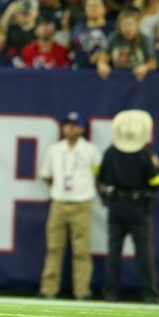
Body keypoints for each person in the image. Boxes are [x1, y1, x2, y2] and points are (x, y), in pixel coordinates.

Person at [98, 110, 159, 303]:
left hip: (116, 206)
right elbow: (156, 182)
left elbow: (101, 179)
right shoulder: (146, 155)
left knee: (114, 251)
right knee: (143, 251)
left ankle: (111, 292)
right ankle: (148, 293)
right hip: (137, 208)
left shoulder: (110, 152)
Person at [37, 112, 100, 300]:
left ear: (82, 128)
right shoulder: (55, 150)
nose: (70, 128)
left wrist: (83, 190)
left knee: (82, 250)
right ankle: (49, 289)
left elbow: (99, 176)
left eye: (75, 125)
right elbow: (47, 175)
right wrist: (61, 190)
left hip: (82, 203)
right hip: (59, 203)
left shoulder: (90, 150)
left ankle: (82, 290)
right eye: (67, 124)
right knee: (54, 248)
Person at [96, 9, 158, 80]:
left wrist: (145, 67)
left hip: (139, 79)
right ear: (119, 26)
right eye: (125, 25)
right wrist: (101, 64)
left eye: (131, 24)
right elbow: (104, 57)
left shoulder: (145, 39)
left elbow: (153, 63)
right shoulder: (114, 37)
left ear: (137, 25)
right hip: (118, 78)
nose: (128, 29)